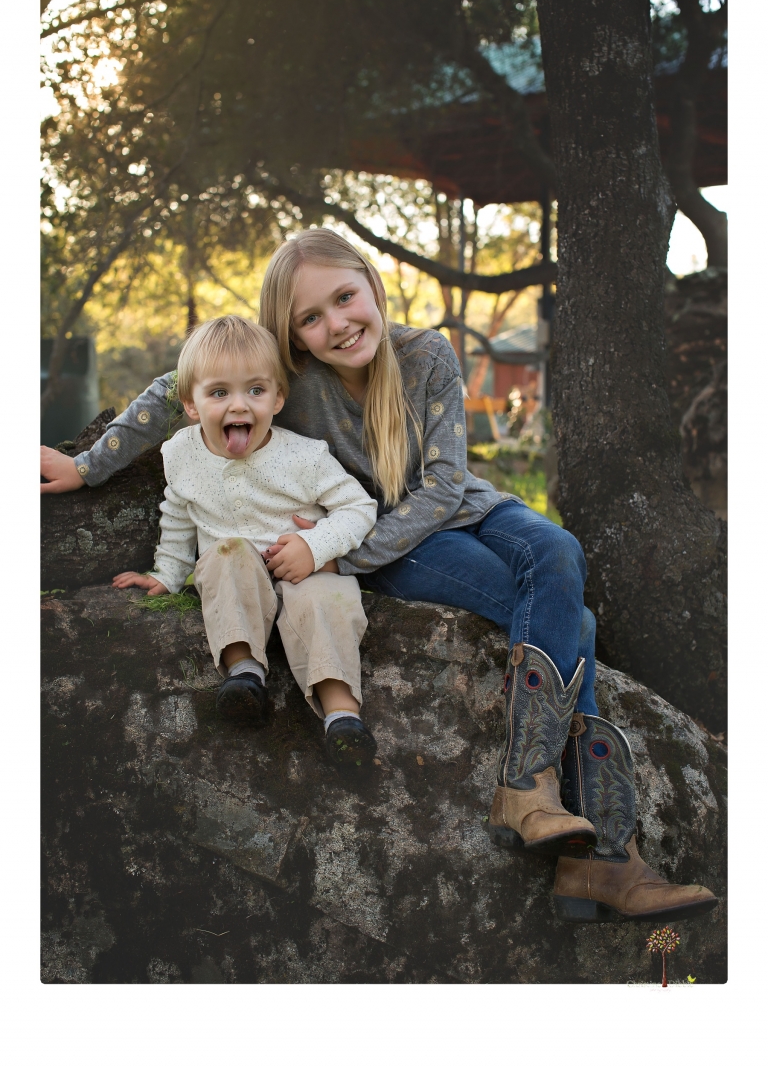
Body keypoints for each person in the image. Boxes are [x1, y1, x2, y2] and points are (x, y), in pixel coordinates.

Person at [41, 229, 717, 924]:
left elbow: (446, 484)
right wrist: (89, 465)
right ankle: (604, 856)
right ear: (293, 335)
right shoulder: (292, 378)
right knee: (573, 623)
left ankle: (529, 788)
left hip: (463, 508)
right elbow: (177, 387)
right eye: (311, 318)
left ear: (371, 282)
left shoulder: (426, 354)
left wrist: (343, 558)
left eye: (344, 297)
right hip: (396, 544)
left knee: (559, 553)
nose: (336, 324)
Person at [111, 315, 379, 767]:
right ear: (191, 404)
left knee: (327, 602)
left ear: (278, 398)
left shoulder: (304, 456)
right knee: (223, 555)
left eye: (255, 390)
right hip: (237, 570)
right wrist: (167, 573)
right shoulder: (182, 454)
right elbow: (177, 514)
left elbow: (358, 507)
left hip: (305, 571)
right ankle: (244, 673)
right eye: (219, 393)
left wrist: (315, 548)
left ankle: (342, 717)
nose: (239, 406)